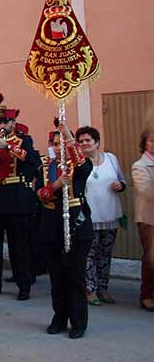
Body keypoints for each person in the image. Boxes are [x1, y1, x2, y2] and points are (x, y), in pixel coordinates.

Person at [0, 94, 40, 301]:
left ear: (13, 122)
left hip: (16, 197)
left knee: (18, 244)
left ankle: (24, 284)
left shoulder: (24, 140)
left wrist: (10, 148)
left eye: (6, 121)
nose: (2, 124)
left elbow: (32, 161)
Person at [36, 122, 92, 338]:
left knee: (75, 275)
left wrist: (68, 134)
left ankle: (79, 322)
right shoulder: (45, 166)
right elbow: (39, 194)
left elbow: (84, 166)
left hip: (76, 223)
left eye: (62, 143)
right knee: (57, 276)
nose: (59, 147)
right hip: (51, 224)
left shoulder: (79, 164)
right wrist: (55, 186)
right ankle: (59, 317)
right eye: (55, 143)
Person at [77, 126, 126, 305]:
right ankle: (90, 291)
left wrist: (120, 185)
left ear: (97, 142)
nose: (84, 144)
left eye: (88, 140)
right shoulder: (78, 162)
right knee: (88, 254)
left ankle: (103, 289)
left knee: (105, 254)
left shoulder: (111, 159)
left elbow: (122, 180)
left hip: (109, 214)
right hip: (89, 216)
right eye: (81, 141)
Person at [132, 128, 154, 311]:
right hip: (148, 219)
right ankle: (146, 295)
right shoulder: (140, 165)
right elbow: (146, 190)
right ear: (144, 144)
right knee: (150, 257)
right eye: (151, 141)